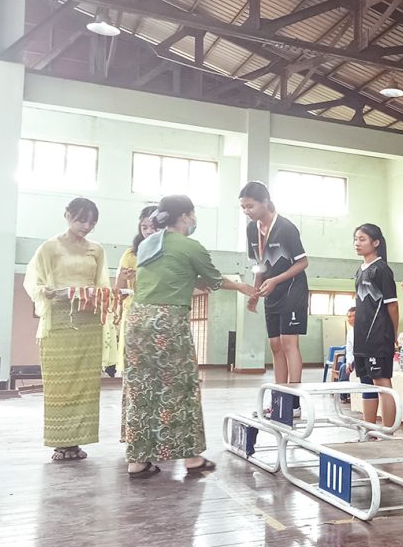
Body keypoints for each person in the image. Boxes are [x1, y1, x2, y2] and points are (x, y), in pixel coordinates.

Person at [121, 195, 256, 478]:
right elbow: (214, 280)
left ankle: (137, 461)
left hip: (137, 320)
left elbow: (173, 274)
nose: (194, 219)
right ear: (184, 216)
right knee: (180, 386)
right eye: (192, 214)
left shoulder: (148, 244)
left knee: (140, 389)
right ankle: (192, 458)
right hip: (167, 322)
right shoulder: (191, 246)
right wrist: (241, 286)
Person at [24, 197, 109, 462]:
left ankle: (77, 441)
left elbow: (102, 284)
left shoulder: (96, 249)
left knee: (85, 383)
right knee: (59, 384)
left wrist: (99, 296)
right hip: (60, 318)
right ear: (67, 215)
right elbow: (33, 281)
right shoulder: (50, 247)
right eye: (81, 220)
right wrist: (46, 291)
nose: (86, 226)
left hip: (88, 319)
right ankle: (61, 443)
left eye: (92, 222)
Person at [239, 181, 309, 416]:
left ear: (265, 202)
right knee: (275, 345)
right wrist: (255, 293)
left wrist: (276, 280)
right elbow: (260, 264)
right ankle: (279, 401)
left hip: (292, 289)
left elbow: (303, 262)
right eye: (243, 207)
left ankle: (294, 404)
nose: (247, 211)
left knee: (289, 343)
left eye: (250, 206)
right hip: (270, 290)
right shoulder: (252, 230)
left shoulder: (286, 227)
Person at [353, 224, 400, 428]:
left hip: (379, 337)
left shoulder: (382, 270)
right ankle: (369, 431)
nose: (357, 243)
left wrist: (393, 334)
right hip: (361, 337)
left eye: (362, 239)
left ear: (376, 242)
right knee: (366, 383)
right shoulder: (360, 270)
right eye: (356, 239)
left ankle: (388, 433)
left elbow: (393, 306)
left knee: (382, 383)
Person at [114, 205, 158, 377]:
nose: (148, 231)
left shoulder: (169, 252)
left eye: (153, 227)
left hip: (159, 310)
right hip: (134, 310)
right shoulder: (131, 254)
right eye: (144, 227)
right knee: (134, 361)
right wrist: (124, 277)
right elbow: (119, 291)